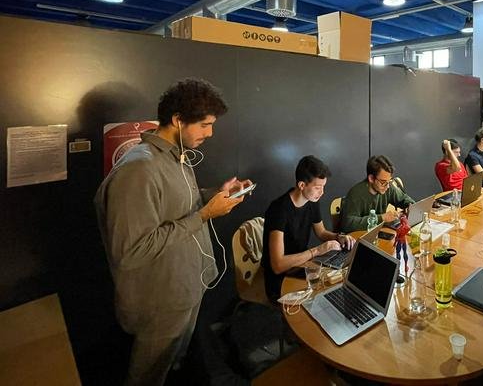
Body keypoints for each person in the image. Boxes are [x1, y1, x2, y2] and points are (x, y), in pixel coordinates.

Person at [94, 78, 252, 386]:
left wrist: (215, 196)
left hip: (185, 287)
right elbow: (131, 251)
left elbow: (176, 205)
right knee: (147, 376)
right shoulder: (138, 169)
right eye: (204, 125)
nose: (210, 133)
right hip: (160, 300)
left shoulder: (174, 155)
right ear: (178, 119)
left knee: (172, 366)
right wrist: (205, 215)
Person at [262, 155, 355, 302]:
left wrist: (339, 237)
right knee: (325, 292)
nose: (322, 192)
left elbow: (321, 232)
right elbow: (277, 265)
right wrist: (317, 251)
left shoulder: (311, 200)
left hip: (302, 265)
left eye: (323, 187)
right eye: (318, 188)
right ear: (301, 185)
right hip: (280, 278)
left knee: (337, 282)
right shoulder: (279, 210)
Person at [340, 155, 415, 233]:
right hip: (360, 236)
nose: (387, 186)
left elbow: (404, 199)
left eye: (389, 181)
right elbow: (347, 224)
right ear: (371, 178)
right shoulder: (356, 193)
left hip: (378, 233)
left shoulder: (388, 187)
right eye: (383, 182)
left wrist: (409, 206)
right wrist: (381, 218)